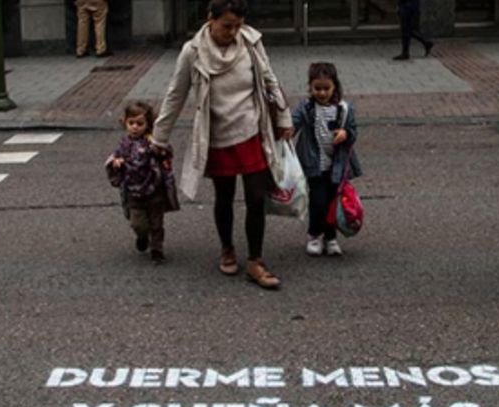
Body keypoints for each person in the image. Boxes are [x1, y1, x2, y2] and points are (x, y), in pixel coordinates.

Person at [151, 0, 293, 290]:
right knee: (224, 197)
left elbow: (270, 80)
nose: (233, 32)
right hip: (217, 135)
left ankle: (255, 260)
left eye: (238, 26)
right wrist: (160, 136)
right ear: (210, 19)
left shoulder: (251, 42)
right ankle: (227, 248)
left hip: (251, 130)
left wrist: (283, 118)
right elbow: (175, 95)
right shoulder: (193, 52)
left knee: (256, 197)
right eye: (227, 26)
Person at [292, 62, 362, 257]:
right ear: (310, 87)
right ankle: (315, 235)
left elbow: (353, 131)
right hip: (314, 165)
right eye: (317, 88)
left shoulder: (344, 108)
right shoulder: (306, 108)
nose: (321, 93)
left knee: (333, 202)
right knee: (318, 202)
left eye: (326, 88)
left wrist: (346, 134)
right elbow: (294, 122)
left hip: (336, 166)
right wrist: (287, 130)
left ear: (334, 86)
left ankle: (330, 238)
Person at [106, 101, 179, 265]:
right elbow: (116, 156)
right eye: (131, 123)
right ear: (125, 123)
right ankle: (142, 235)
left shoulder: (151, 141)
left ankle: (157, 249)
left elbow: (166, 153)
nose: (135, 127)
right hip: (133, 191)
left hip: (154, 189)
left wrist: (160, 151)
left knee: (156, 223)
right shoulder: (124, 143)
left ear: (148, 124)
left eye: (140, 123)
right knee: (137, 223)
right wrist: (116, 161)